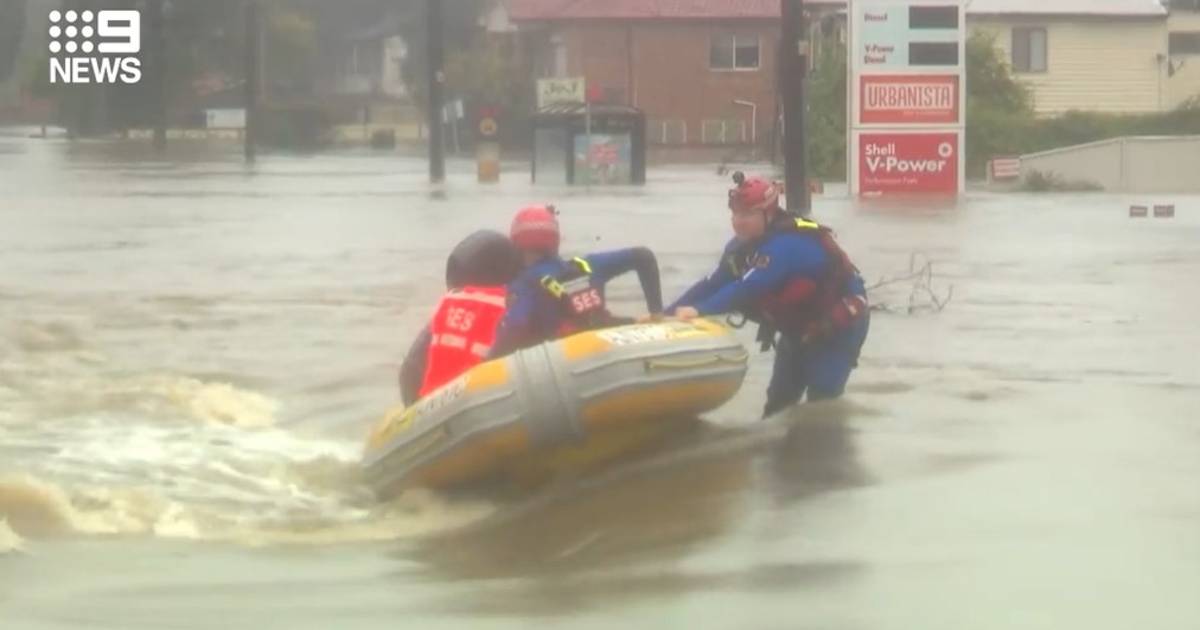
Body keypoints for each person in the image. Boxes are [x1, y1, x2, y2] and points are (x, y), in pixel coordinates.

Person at [667, 172, 869, 418]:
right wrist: (667, 314)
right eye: (735, 214)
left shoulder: (786, 245)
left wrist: (699, 311)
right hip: (799, 328)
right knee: (777, 405)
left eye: (747, 215)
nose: (738, 222)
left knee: (821, 403)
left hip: (838, 327)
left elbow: (747, 288)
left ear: (769, 213)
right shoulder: (739, 248)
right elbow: (712, 284)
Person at [490, 204, 665, 358]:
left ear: (516, 243)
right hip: (605, 348)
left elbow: (514, 328)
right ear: (555, 239)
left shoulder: (525, 283)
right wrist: (656, 313)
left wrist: (486, 365)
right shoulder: (587, 266)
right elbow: (644, 256)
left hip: (560, 361)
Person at [399, 230, 521, 405]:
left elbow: (409, 371)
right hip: (487, 402)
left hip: (434, 405)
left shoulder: (448, 305)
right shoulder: (511, 305)